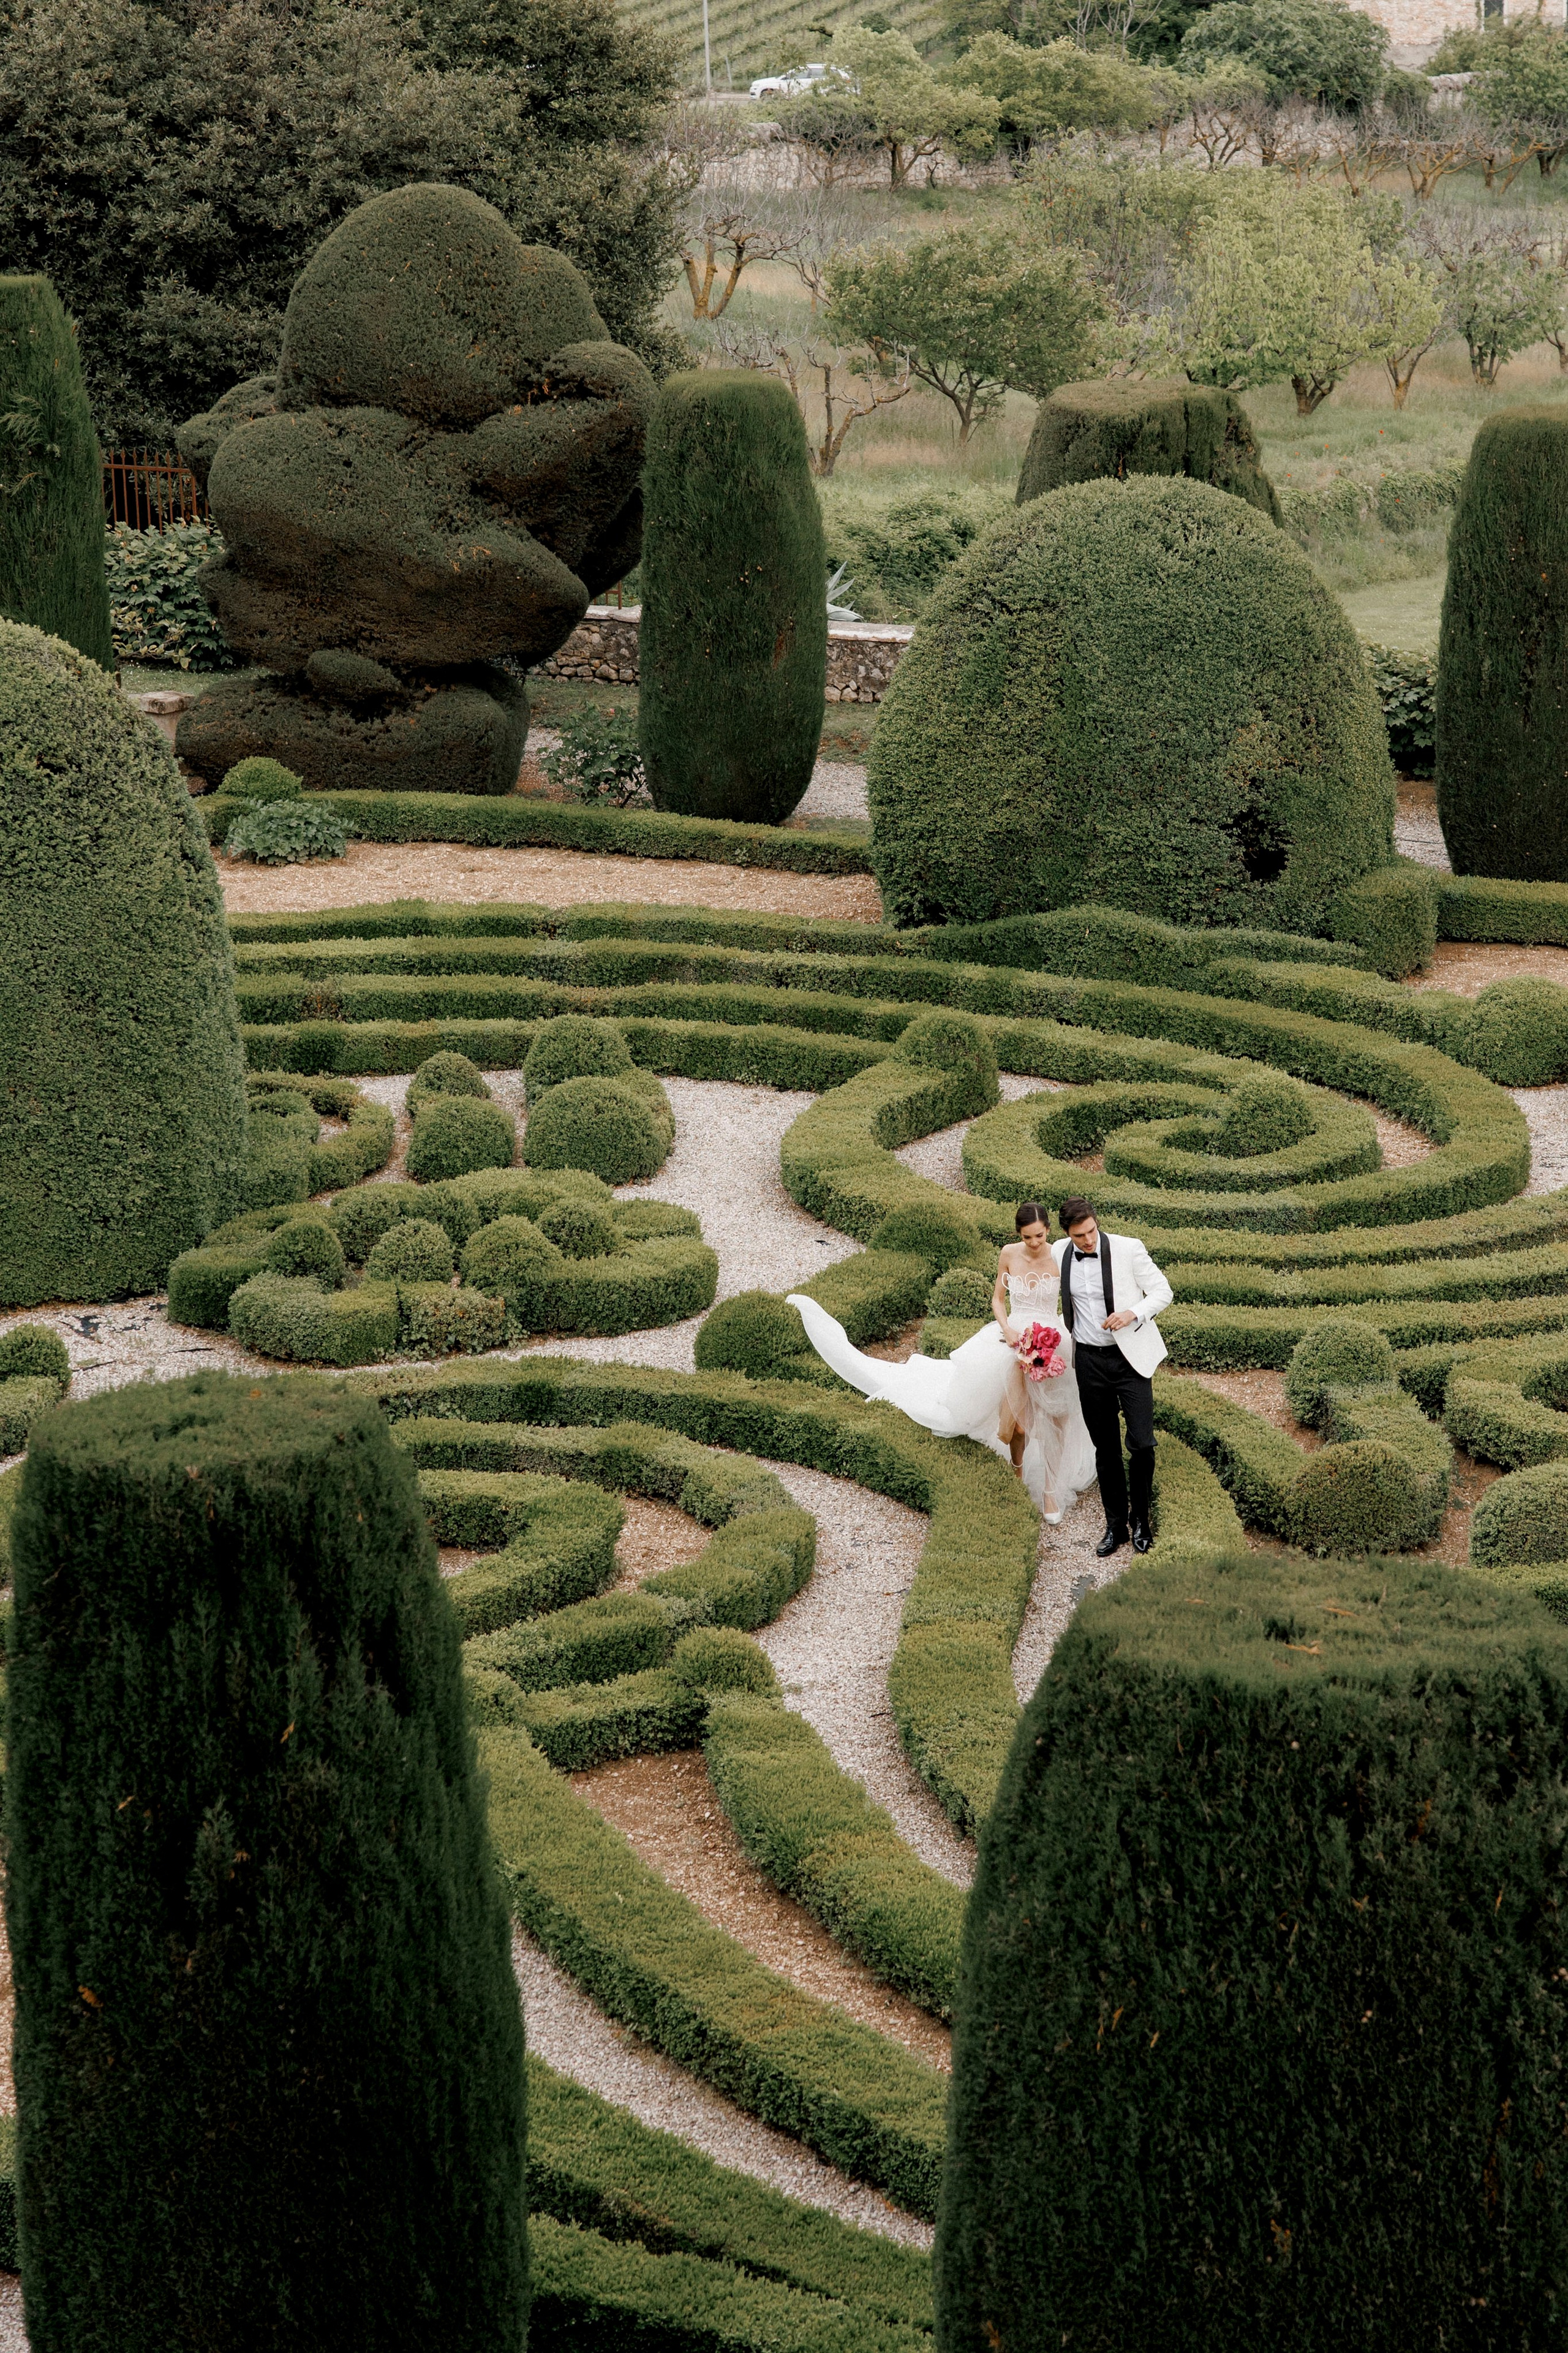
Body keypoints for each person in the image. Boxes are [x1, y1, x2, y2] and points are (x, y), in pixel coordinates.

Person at [787, 1202, 1095, 1520]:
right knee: (1017, 1425)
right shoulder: (1009, 1253)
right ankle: (1017, 1473)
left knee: (1057, 1418)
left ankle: (1050, 1492)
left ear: (1048, 1230)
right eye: (1027, 1237)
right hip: (1014, 1340)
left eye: (1039, 1236)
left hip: (1051, 1339)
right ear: (1019, 1234)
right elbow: (998, 1299)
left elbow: (1077, 1298)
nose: (1034, 1243)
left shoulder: (1060, 1255)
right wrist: (1007, 1329)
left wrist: (1061, 1336)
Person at [1052, 1195, 1173, 1560]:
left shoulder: (1129, 1248)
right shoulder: (1059, 1252)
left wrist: (1132, 1313)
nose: (1088, 1240)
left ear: (1096, 1222)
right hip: (1089, 1360)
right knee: (1105, 1448)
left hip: (1129, 1359)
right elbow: (1026, 1256)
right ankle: (1116, 1524)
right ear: (1067, 1234)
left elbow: (1163, 1291)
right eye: (1079, 1236)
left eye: (1091, 1231)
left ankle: (1142, 1521)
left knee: (1142, 1443)